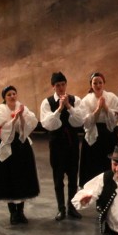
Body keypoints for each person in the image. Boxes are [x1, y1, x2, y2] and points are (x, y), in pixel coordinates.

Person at [0, 85, 40, 225]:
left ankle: (21, 211)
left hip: (21, 145)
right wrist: (13, 120)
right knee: (9, 178)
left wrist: (21, 117)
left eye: (14, 94)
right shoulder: (0, 110)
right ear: (4, 97)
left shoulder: (22, 107)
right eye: (9, 94)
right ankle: (12, 212)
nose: (12, 96)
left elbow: (31, 123)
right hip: (7, 144)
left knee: (22, 177)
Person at [40, 72, 85, 221]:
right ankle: (61, 208)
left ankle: (72, 207)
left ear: (66, 85)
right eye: (57, 85)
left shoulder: (75, 100)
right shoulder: (47, 102)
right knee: (58, 178)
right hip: (57, 144)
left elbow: (80, 121)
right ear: (53, 87)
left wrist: (69, 107)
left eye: (63, 84)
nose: (61, 88)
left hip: (72, 143)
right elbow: (48, 124)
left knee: (73, 177)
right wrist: (59, 109)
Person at [79, 72, 118, 186]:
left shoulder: (111, 97)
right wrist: (98, 109)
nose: (98, 85)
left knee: (107, 163)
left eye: (100, 82)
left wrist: (106, 107)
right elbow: (86, 122)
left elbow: (116, 118)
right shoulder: (86, 100)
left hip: (108, 133)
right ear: (91, 84)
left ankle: (109, 186)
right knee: (93, 164)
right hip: (94, 134)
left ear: (104, 83)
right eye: (95, 83)